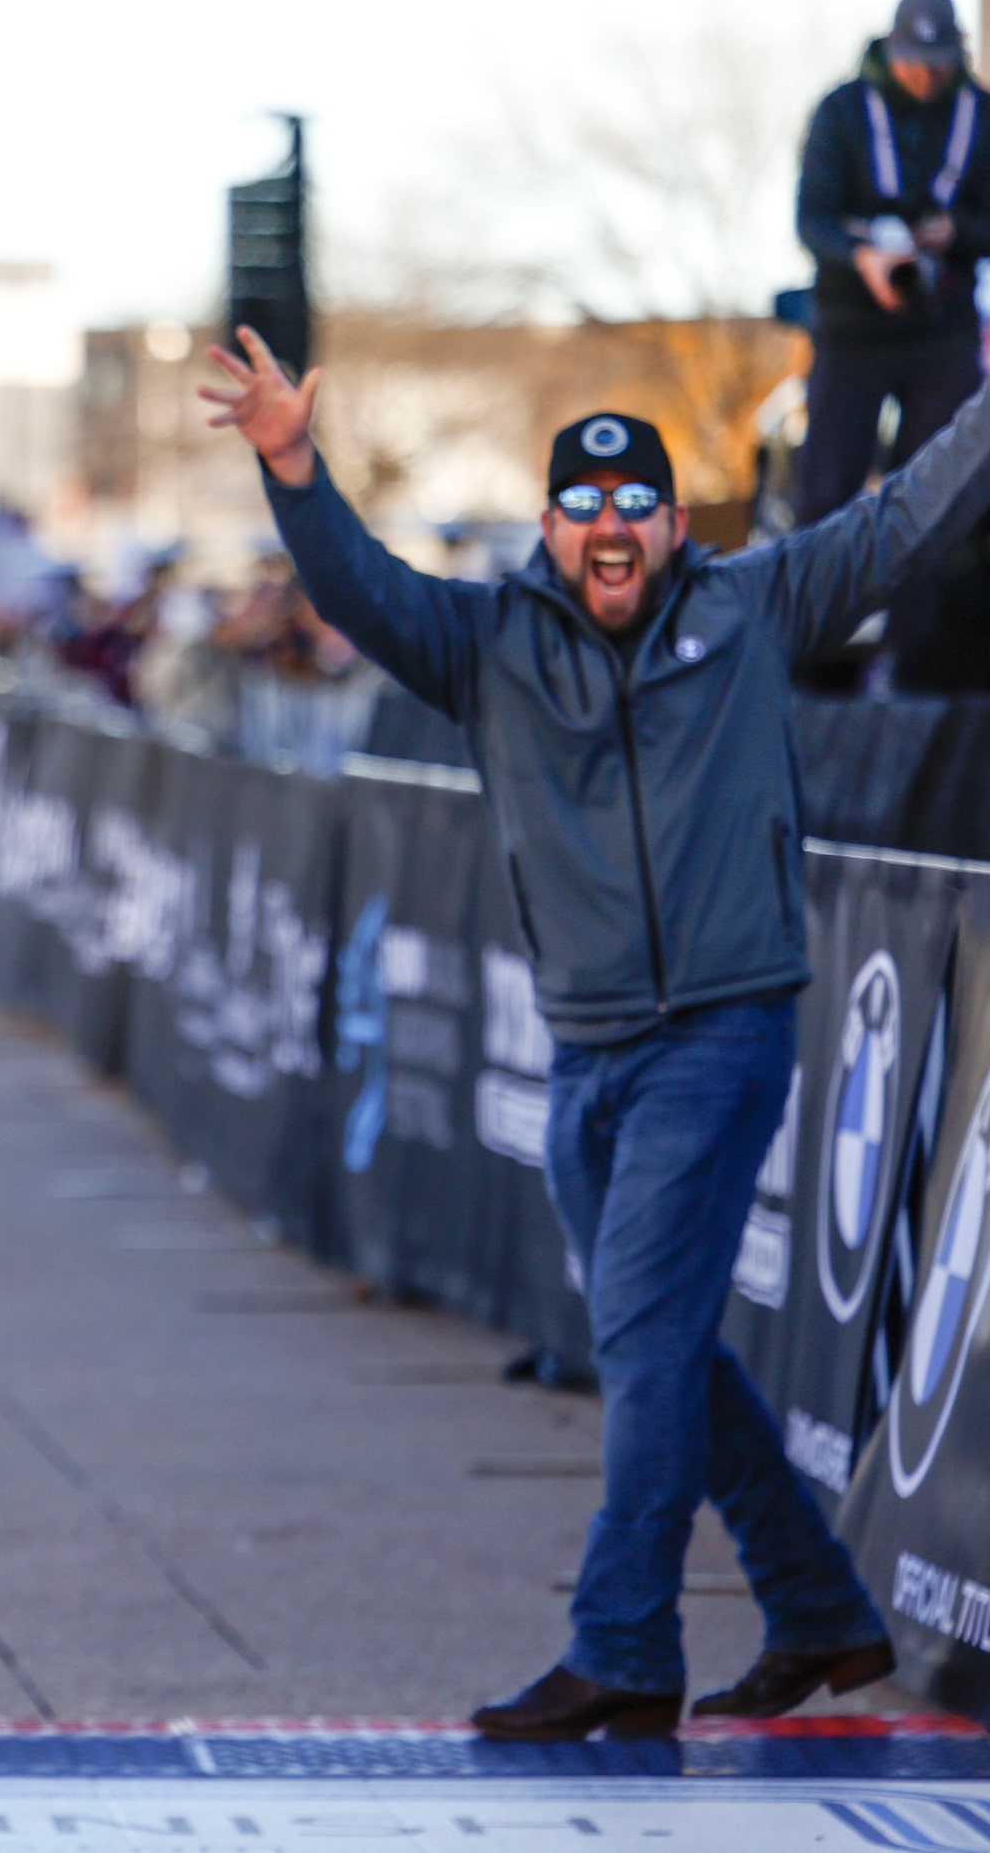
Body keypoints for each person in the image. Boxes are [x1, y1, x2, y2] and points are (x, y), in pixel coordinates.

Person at [198, 327, 990, 1737]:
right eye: (586, 505)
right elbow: (362, 590)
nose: (612, 526)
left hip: (722, 1033)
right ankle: (817, 1608)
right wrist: (292, 465)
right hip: (584, 1048)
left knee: (638, 1333)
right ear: (551, 526)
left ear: (677, 525)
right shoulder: (491, 644)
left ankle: (624, 1641)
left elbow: (904, 521)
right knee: (667, 1340)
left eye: (639, 505)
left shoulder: (752, 604)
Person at [794, 0, 990, 530]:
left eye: (939, 61)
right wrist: (866, 257)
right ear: (889, 46)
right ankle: (818, 615)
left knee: (934, 506)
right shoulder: (841, 112)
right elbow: (811, 219)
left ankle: (917, 620)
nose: (926, 74)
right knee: (824, 498)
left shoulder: (982, 116)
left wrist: (956, 233)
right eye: (914, 60)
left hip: (943, 332)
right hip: (851, 332)